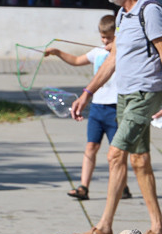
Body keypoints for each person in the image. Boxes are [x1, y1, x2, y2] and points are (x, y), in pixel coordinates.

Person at [70, 0, 162, 234]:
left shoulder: (150, 11)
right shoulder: (121, 15)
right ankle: (159, 229)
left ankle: (104, 227)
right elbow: (113, 59)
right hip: (125, 95)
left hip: (146, 95)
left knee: (114, 155)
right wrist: (87, 92)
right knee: (139, 161)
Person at [44, 15, 131, 201]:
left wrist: (117, 49)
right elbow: (76, 61)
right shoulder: (98, 52)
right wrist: (58, 52)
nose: (105, 41)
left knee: (115, 152)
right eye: (102, 37)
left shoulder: (123, 53)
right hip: (97, 108)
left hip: (116, 108)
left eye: (109, 37)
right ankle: (84, 187)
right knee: (91, 146)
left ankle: (121, 185)